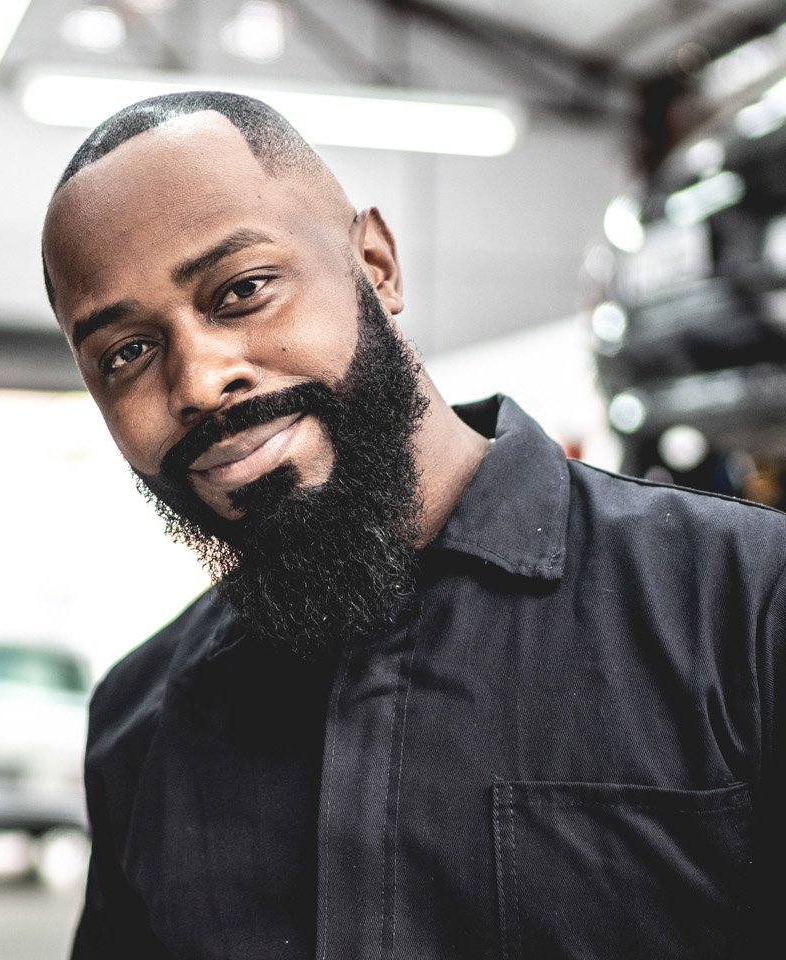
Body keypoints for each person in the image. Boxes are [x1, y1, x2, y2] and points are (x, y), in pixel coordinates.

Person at [39, 90, 786, 959]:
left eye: (241, 291)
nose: (200, 381)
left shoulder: (745, 608)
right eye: (125, 353)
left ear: (377, 265)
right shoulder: (142, 719)